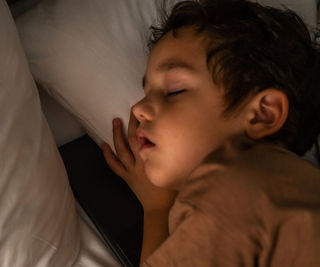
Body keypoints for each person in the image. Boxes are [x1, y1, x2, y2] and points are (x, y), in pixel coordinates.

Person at [101, 0, 320, 266]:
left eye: (174, 91)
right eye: (146, 92)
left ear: (264, 113)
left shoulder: (228, 184)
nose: (138, 109)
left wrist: (158, 211)